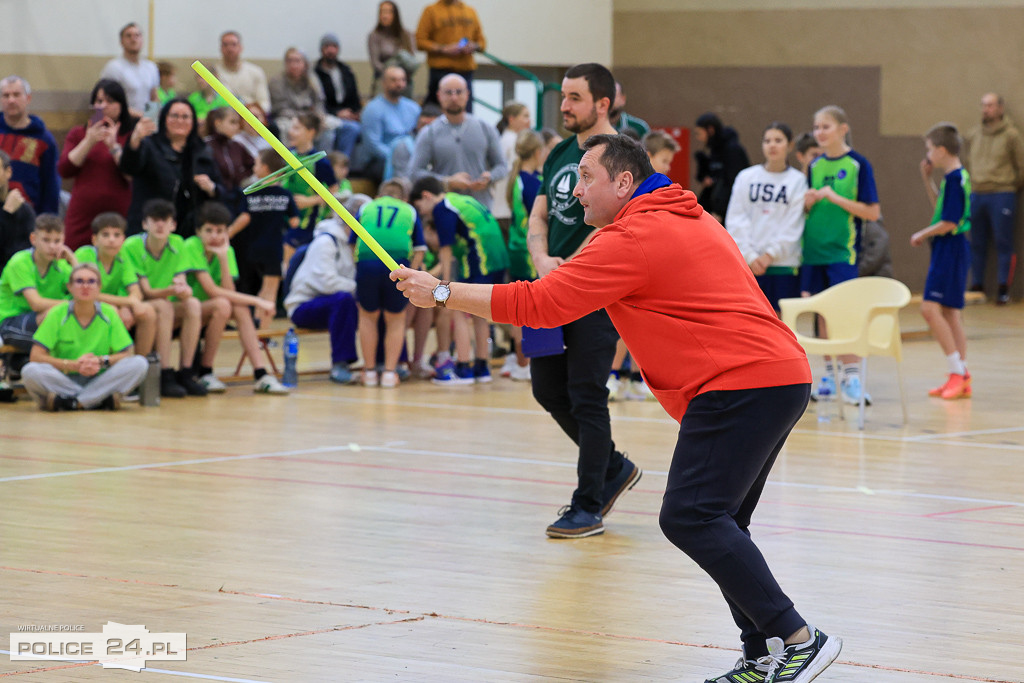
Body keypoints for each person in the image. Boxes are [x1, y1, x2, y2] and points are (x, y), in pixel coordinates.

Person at [392, 134, 842, 683]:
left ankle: (797, 637)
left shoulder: (634, 235)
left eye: (585, 178)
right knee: (722, 521)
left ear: (623, 182)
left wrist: (441, 292)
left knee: (690, 517)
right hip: (774, 377)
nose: (575, 192)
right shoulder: (684, 215)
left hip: (741, 383)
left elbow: (541, 304)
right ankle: (763, 651)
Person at [521, 63, 639, 537]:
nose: (564, 105)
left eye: (574, 97)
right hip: (551, 288)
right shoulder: (557, 154)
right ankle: (613, 467)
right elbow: (540, 212)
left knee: (587, 397)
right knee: (547, 389)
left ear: (602, 104)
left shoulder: (624, 157)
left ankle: (587, 504)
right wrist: (540, 257)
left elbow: (623, 226)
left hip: (594, 295)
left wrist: (573, 269)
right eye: (564, 97)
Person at [803, 105, 880, 406]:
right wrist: (808, 203)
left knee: (845, 315)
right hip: (813, 252)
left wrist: (835, 198)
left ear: (843, 129)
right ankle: (829, 376)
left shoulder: (859, 165)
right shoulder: (814, 166)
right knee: (822, 315)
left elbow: (872, 212)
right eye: (817, 127)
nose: (820, 133)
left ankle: (853, 378)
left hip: (842, 252)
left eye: (826, 127)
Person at [409, 176, 507, 384]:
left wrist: (443, 287)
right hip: (497, 257)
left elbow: (445, 249)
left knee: (458, 310)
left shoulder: (442, 207)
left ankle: (464, 367)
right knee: (481, 312)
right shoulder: (459, 199)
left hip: (478, 259)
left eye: (420, 207)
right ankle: (482, 367)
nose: (422, 213)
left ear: (426, 196)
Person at [184, 202, 288, 395]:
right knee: (223, 304)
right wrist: (258, 301)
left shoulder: (226, 250)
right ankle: (205, 372)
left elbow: (228, 289)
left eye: (220, 231)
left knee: (238, 308)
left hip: (208, 309)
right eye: (209, 230)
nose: (215, 236)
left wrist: (223, 258)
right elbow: (212, 290)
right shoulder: (191, 246)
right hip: (185, 310)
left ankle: (261, 374)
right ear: (198, 231)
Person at [20, 262, 148, 411]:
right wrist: (73, 365)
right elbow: (36, 356)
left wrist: (101, 361)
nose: (85, 286)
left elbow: (126, 354)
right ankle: (97, 400)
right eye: (79, 281)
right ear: (70, 287)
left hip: (100, 378)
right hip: (64, 378)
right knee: (30, 371)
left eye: (91, 281)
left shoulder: (110, 313)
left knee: (139, 363)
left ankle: (74, 402)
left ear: (99, 287)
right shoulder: (56, 313)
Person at [119, 198, 207, 398]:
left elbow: (181, 279)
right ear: (144, 224)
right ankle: (164, 373)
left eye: (165, 220)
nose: (160, 224)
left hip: (165, 300)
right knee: (164, 306)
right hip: (141, 303)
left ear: (173, 225)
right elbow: (146, 292)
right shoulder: (132, 245)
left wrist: (183, 289)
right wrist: (174, 290)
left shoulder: (178, 243)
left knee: (193, 304)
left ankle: (186, 372)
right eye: (155, 220)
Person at [913, 123, 972, 401]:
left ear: (941, 150)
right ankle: (960, 375)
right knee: (949, 313)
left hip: (951, 248)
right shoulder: (952, 178)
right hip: (951, 248)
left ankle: (957, 372)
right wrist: (927, 180)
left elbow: (948, 222)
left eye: (929, 149)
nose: (927, 155)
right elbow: (942, 208)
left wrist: (922, 233)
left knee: (929, 309)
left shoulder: (956, 179)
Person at [724, 122, 806, 313]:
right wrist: (751, 256)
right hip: (749, 265)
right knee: (751, 320)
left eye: (778, 140)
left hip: (783, 266)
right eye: (767, 140)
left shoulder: (798, 181)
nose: (772, 145)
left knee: (783, 323)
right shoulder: (746, 177)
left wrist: (771, 254)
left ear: (790, 145)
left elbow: (793, 224)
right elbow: (736, 219)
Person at [351, 180, 426, 387]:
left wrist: (359, 266)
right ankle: (389, 373)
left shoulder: (366, 207)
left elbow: (352, 242)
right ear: (403, 198)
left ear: (379, 196)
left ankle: (369, 372)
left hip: (367, 264)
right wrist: (412, 274)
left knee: (367, 317)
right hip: (398, 265)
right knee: (395, 319)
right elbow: (420, 248)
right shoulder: (409, 210)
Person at [120, 98, 224, 238]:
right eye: (174, 115)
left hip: (190, 229)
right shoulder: (149, 144)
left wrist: (211, 188)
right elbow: (129, 167)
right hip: (152, 225)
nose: (180, 121)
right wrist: (135, 138)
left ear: (193, 122)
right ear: (164, 118)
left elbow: (220, 190)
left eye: (185, 117)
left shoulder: (202, 150)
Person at [58, 79, 135, 250]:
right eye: (99, 101)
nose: (104, 106)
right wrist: (89, 141)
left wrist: (114, 147)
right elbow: (65, 169)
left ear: (121, 105)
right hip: (82, 214)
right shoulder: (78, 133)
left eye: (110, 101)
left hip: (118, 215)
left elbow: (132, 175)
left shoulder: (130, 136)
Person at [409, 74, 507, 210]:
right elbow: (414, 172)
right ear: (439, 96)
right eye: (448, 92)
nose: (454, 97)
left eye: (459, 92)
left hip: (480, 208)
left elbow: (502, 166)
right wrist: (447, 182)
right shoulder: (429, 132)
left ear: (467, 94)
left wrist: (489, 177)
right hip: (446, 210)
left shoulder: (485, 128)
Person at [283, 214, 359, 385]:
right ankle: (340, 365)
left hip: (333, 305)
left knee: (377, 300)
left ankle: (383, 365)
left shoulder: (352, 245)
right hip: (303, 306)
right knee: (344, 299)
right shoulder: (326, 241)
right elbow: (326, 282)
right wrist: (358, 288)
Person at [964, 92, 1024, 304]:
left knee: (1003, 241)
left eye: (990, 105)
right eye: (983, 105)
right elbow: (967, 163)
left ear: (1000, 108)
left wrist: (1008, 185)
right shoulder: (974, 135)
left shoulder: (1011, 135)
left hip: (1002, 193)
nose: (986, 109)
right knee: (976, 243)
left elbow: (1021, 166)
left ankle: (1003, 288)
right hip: (977, 193)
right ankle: (977, 286)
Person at [229, 149, 299, 326]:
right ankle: (263, 334)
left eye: (257, 163)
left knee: (259, 290)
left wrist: (228, 233)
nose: (254, 167)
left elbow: (245, 218)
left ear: (266, 167)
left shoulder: (251, 192)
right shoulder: (285, 195)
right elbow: (294, 223)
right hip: (274, 249)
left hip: (253, 249)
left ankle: (256, 326)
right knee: (270, 291)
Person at [74, 212, 157, 358]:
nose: (111, 240)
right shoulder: (84, 254)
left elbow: (135, 292)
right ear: (94, 240)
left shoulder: (122, 255)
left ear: (123, 239)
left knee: (147, 311)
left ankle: (142, 366)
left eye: (117, 235)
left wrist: (126, 306)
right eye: (105, 235)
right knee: (110, 311)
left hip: (113, 305)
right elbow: (88, 294)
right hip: (81, 305)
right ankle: (107, 364)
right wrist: (127, 302)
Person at [0, 214, 73, 354]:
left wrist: (73, 259)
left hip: (40, 323)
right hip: (9, 323)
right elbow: (36, 303)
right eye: (46, 240)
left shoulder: (62, 265)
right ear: (33, 239)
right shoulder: (20, 261)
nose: (52, 246)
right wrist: (74, 304)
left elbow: (88, 288)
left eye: (57, 241)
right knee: (56, 319)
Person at [280, 113, 338, 261]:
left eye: (297, 128)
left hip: (308, 221)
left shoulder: (319, 161)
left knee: (290, 252)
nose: (291, 132)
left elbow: (334, 189)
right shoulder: (288, 155)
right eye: (291, 127)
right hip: (287, 217)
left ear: (311, 132)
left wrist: (311, 201)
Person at [0, 76, 61, 215]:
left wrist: (47, 219)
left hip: (28, 215)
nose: (11, 100)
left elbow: (51, 184)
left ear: (28, 98)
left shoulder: (45, 140)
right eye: (6, 95)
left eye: (16, 95)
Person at [416, 0, 486, 111]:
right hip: (440, 71)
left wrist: (473, 46)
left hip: (465, 71)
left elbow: (482, 43)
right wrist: (443, 49)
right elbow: (420, 42)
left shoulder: (470, 11)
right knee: (436, 112)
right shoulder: (431, 11)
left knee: (465, 111)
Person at [355, 65, 421, 183]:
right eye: (394, 80)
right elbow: (373, 145)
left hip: (409, 156)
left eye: (402, 80)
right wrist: (397, 157)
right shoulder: (372, 109)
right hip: (380, 160)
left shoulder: (413, 108)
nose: (399, 84)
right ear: (383, 83)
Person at [693, 112, 750, 222]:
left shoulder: (733, 150)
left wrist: (720, 211)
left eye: (700, 133)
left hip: (727, 212)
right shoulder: (715, 150)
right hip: (714, 208)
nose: (699, 138)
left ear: (710, 130)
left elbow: (732, 183)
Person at [314, 34, 363, 158]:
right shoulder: (315, 73)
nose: (331, 50)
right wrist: (337, 113)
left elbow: (354, 96)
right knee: (328, 133)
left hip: (347, 116)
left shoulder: (346, 71)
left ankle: (341, 164)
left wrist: (354, 113)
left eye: (334, 46)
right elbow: (318, 101)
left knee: (353, 129)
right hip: (326, 116)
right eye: (327, 47)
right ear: (321, 49)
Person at [99, 23, 159, 116]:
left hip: (146, 122)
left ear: (142, 40)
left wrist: (150, 118)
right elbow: (108, 101)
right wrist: (140, 115)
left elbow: (154, 97)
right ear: (121, 41)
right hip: (123, 121)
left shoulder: (151, 67)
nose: (133, 39)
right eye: (128, 36)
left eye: (137, 35)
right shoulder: (113, 67)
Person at [203, 107, 254, 210]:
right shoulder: (205, 145)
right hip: (212, 201)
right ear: (218, 122)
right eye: (232, 122)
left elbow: (251, 164)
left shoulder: (237, 146)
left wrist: (239, 179)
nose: (236, 127)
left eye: (237, 123)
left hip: (235, 199)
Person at [492, 101, 532, 221]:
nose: (529, 120)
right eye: (525, 116)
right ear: (511, 119)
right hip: (506, 207)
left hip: (503, 206)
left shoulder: (507, 138)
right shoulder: (512, 141)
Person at [367, 1, 418, 96]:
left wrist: (400, 76)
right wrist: (392, 74)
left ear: (395, 15)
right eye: (382, 12)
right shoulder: (374, 36)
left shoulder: (407, 35)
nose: (384, 16)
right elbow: (375, 63)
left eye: (388, 12)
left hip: (404, 82)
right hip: (384, 81)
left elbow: (412, 61)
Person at [216, 31, 271, 114]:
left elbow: (264, 103)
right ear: (220, 48)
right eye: (225, 45)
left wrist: (255, 114)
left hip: (251, 118)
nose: (229, 49)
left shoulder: (256, 72)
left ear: (241, 47)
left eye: (233, 44)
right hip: (224, 118)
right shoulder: (214, 73)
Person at [0, 150, 33, 272]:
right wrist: (6, 214)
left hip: (18, 276)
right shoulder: (9, 209)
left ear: (8, 172)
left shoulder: (23, 209)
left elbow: (29, 251)